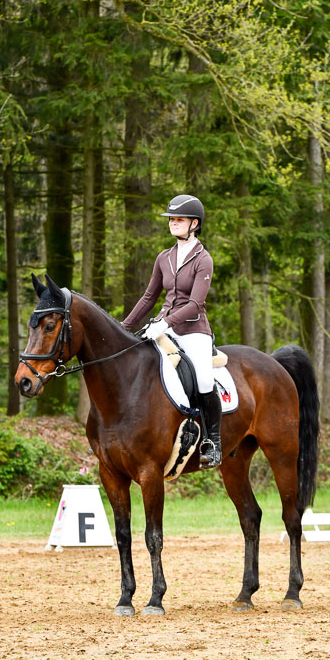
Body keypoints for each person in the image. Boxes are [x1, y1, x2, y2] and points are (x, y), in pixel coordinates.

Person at [122, 194, 222, 468]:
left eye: (179, 220)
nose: (173, 223)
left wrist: (165, 324)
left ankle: (212, 442)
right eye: (171, 219)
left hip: (193, 330)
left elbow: (195, 303)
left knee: (202, 379)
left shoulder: (204, 260)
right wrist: (122, 328)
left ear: (194, 223)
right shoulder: (163, 257)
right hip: (161, 327)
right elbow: (148, 298)